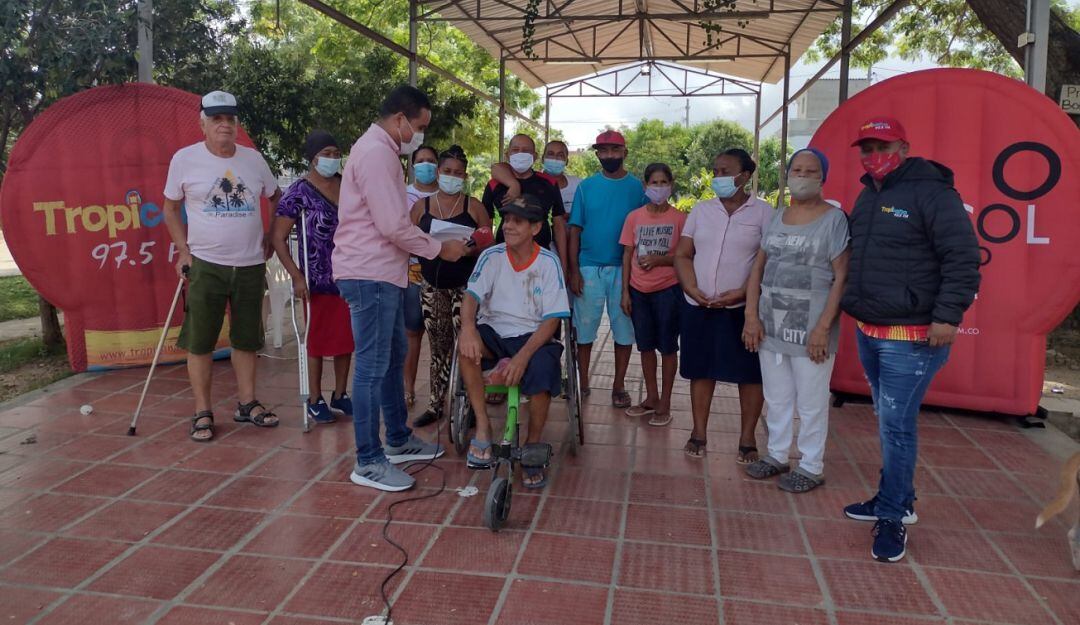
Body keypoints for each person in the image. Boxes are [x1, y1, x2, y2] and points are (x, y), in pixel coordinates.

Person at [838, 118, 980, 562]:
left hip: (912, 336)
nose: (873, 156)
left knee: (896, 428)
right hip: (870, 329)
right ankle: (896, 498)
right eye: (866, 148)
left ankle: (892, 515)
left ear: (903, 147)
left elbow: (963, 257)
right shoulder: (868, 195)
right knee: (888, 421)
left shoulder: (932, 193)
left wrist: (947, 317)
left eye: (882, 147)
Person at [333, 85, 469, 492]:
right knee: (372, 367)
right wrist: (439, 249)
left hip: (382, 273)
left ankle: (397, 438)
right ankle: (368, 460)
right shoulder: (377, 154)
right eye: (419, 126)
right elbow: (392, 225)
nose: (420, 135)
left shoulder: (381, 152)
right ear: (399, 120)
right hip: (369, 273)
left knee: (393, 358)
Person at [162, 90, 281, 442]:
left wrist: (272, 235)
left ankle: (247, 403)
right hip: (206, 265)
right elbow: (170, 208)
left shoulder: (254, 160)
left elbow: (276, 198)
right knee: (201, 342)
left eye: (230, 118)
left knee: (247, 338)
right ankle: (203, 411)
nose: (224, 125)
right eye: (216, 119)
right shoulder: (185, 160)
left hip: (250, 264)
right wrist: (183, 251)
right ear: (203, 124)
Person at [742, 148, 849, 493]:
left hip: (811, 329)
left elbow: (841, 276)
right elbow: (758, 268)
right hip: (771, 325)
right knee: (777, 396)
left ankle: (811, 465)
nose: (802, 176)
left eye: (810, 171)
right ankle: (776, 454)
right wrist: (751, 316)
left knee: (811, 401)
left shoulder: (834, 219)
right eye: (796, 170)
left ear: (822, 177)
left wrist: (823, 327)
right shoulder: (778, 216)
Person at [458, 194, 570, 489]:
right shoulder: (491, 256)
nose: (508, 226)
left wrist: (522, 358)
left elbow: (552, 319)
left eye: (517, 221)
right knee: (467, 348)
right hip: (493, 331)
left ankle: (532, 445)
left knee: (544, 369)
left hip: (533, 334)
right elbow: (471, 296)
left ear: (535, 228)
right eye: (506, 219)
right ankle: (483, 426)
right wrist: (467, 328)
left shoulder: (548, 263)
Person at [674, 148, 772, 460]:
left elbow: (769, 262)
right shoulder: (701, 210)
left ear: (745, 176)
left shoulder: (764, 213)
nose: (718, 177)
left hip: (743, 310)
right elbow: (682, 254)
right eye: (715, 171)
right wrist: (691, 288)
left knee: (750, 373)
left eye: (725, 171)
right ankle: (698, 433)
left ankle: (747, 439)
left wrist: (743, 293)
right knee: (701, 369)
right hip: (699, 305)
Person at [270, 130, 353, 424]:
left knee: (346, 338)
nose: (332, 159)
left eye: (336, 154)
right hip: (316, 279)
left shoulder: (348, 185)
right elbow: (278, 238)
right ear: (313, 157)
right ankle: (315, 398)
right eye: (326, 154)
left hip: (349, 274)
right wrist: (296, 276)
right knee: (316, 339)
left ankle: (340, 393)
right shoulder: (298, 192)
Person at [410, 145, 492, 427]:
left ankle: (471, 406)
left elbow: (488, 239)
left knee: (469, 348)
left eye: (458, 173)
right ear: (438, 172)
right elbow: (408, 238)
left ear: (465, 176)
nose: (452, 177)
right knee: (438, 347)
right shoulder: (421, 207)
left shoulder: (474, 206)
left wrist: (470, 248)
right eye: (447, 171)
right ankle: (435, 404)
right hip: (432, 287)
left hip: (466, 288)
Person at [567, 130, 647, 408]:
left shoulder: (638, 189)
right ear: (597, 154)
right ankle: (583, 382)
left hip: (625, 270)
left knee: (624, 330)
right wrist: (574, 271)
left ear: (625, 152)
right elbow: (574, 230)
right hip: (588, 268)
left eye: (614, 150)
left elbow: (645, 227)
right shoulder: (586, 187)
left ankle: (618, 385)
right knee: (584, 330)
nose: (609, 155)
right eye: (603, 151)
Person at [618, 163, 687, 426]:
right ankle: (651, 397)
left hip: (668, 290)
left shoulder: (680, 219)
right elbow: (627, 254)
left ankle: (665, 401)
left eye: (663, 182)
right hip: (639, 291)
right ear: (645, 185)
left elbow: (686, 256)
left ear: (671, 185)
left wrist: (661, 260)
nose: (659, 187)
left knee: (667, 347)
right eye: (654, 183)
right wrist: (625, 292)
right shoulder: (634, 217)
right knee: (645, 346)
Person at [486, 134, 568, 271]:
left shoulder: (549, 183)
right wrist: (489, 262)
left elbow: (559, 225)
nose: (520, 154)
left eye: (526, 150)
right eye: (515, 150)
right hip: (504, 260)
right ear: (507, 155)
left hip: (542, 259)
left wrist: (563, 266)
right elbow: (485, 226)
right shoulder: (494, 184)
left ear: (535, 156)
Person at [404, 146, 439, 410]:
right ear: (413, 165)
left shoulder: (447, 197)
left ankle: (440, 392)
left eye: (431, 161)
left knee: (440, 337)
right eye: (421, 161)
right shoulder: (402, 195)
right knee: (412, 332)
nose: (426, 165)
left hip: (441, 272)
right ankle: (407, 389)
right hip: (412, 272)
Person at [541, 140, 582, 218]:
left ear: (567, 161)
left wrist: (574, 217)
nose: (555, 158)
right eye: (550, 154)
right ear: (542, 159)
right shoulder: (532, 185)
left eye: (560, 155)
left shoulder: (579, 185)